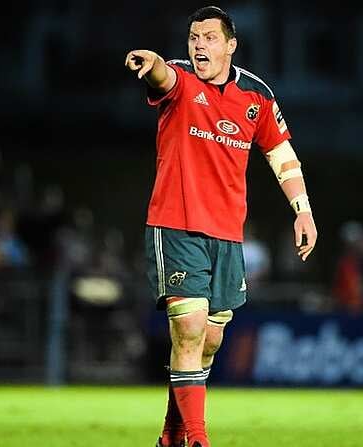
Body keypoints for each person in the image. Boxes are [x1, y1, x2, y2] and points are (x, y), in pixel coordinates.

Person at [125, 6, 318, 447]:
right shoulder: (180, 79)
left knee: (209, 340)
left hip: (228, 235)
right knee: (189, 329)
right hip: (176, 224)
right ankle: (197, 438)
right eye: (194, 37)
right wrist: (151, 61)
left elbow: (281, 154)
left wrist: (302, 209)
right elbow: (162, 75)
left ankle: (171, 435)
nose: (199, 45)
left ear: (231, 45)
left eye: (209, 38)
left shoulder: (257, 96)